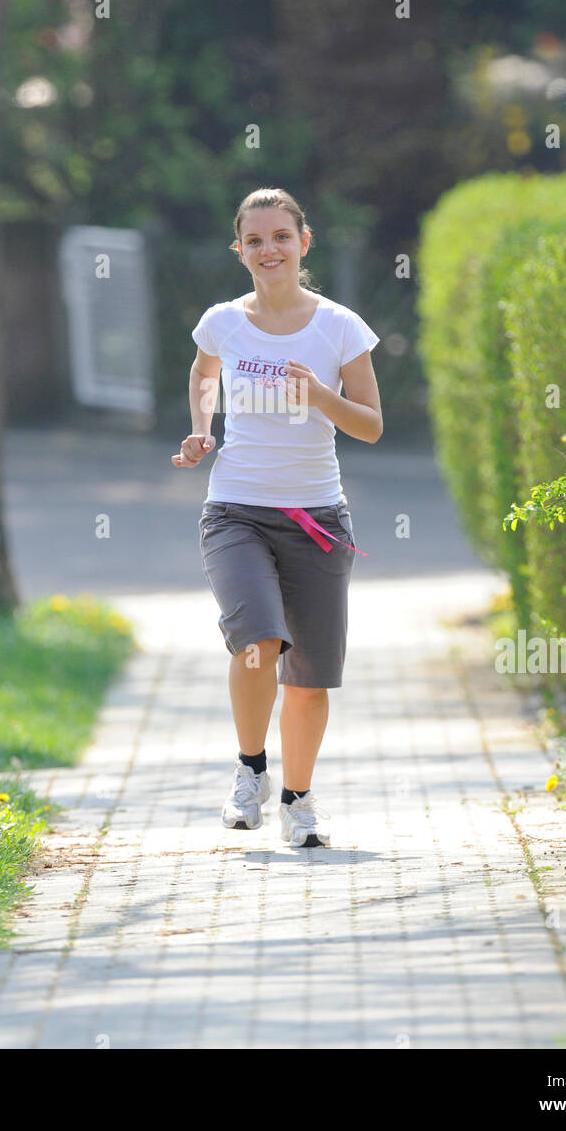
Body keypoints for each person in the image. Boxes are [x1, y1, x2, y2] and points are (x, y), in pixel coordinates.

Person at [171, 188, 382, 848]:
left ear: (303, 243)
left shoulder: (339, 327)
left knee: (309, 676)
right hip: (236, 510)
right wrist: (201, 430)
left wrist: (322, 395)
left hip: (317, 518)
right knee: (258, 642)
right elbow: (203, 373)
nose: (269, 250)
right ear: (240, 250)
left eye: (280, 237)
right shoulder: (223, 322)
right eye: (255, 240)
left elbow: (371, 426)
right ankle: (249, 770)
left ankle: (298, 800)